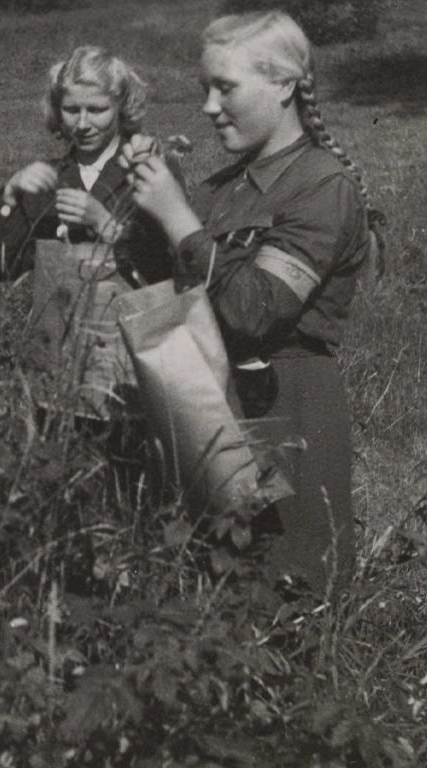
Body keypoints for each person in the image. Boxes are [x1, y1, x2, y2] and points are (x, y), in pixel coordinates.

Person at [124, 11, 378, 591]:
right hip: (213, 403)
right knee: (212, 587)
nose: (209, 107)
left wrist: (180, 221)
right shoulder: (221, 188)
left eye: (226, 87)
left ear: (285, 84)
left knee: (289, 591)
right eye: (204, 89)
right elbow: (165, 291)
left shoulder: (322, 186)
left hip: (286, 408)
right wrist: (145, 196)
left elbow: (256, 311)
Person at [0, 46, 177, 431]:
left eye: (97, 110)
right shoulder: (49, 177)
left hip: (130, 363)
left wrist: (105, 223)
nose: (82, 123)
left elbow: (174, 267)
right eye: (72, 110)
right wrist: (9, 196)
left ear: (120, 107)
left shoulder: (149, 168)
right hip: (57, 365)